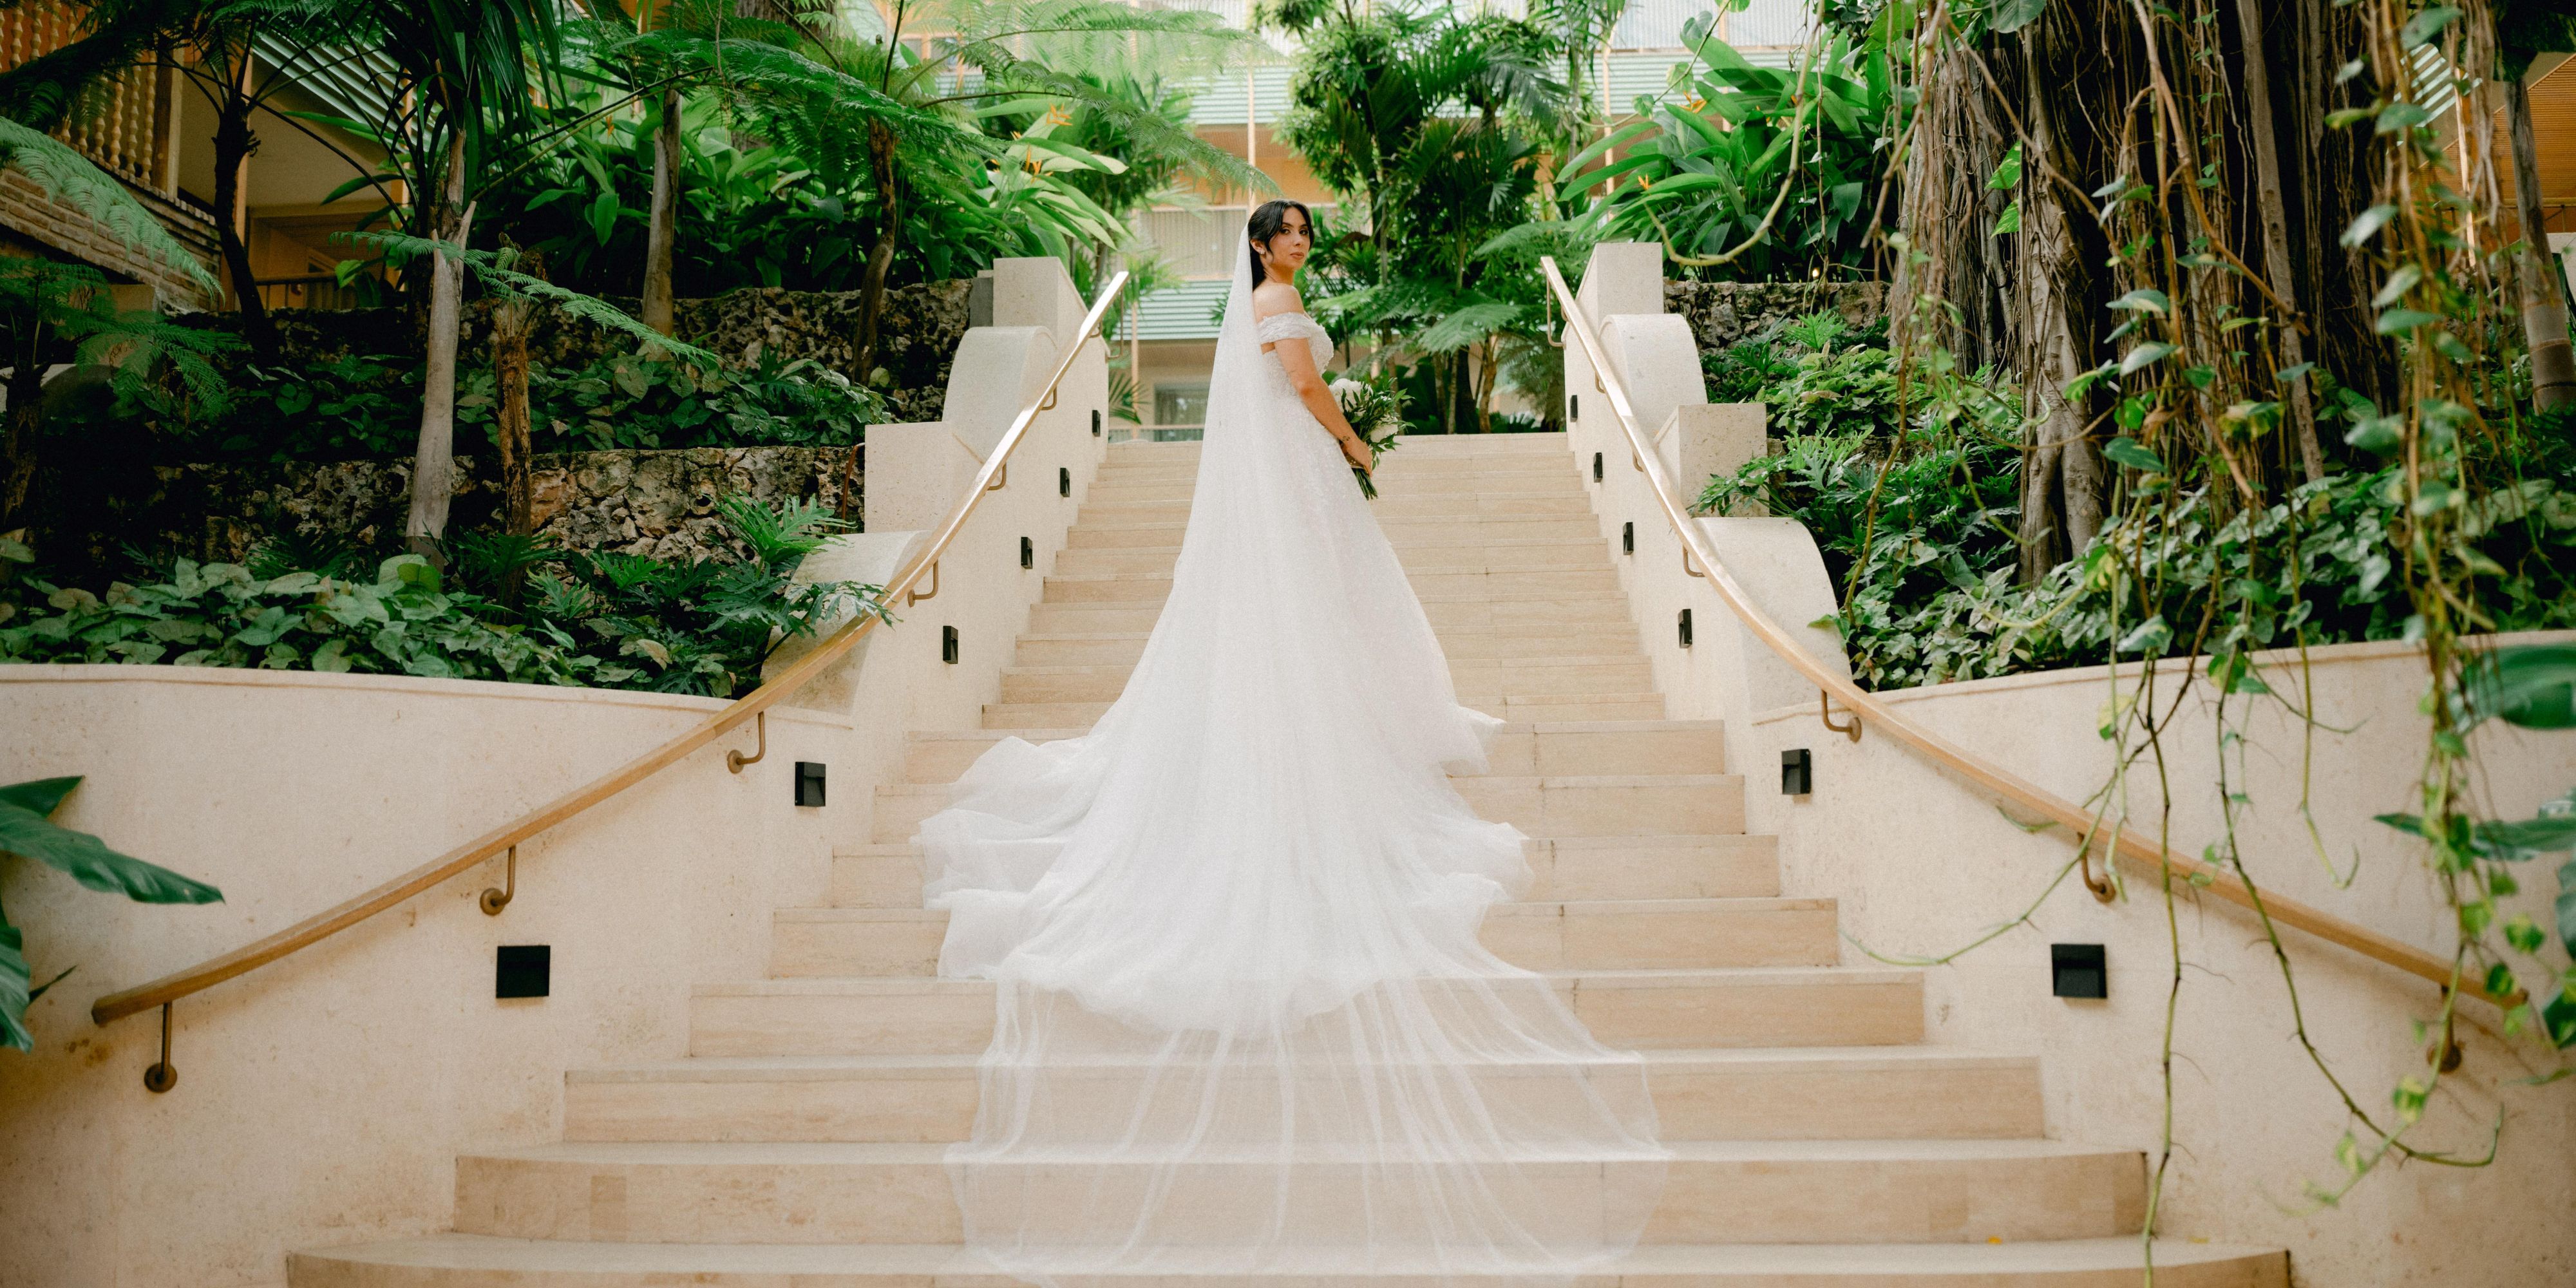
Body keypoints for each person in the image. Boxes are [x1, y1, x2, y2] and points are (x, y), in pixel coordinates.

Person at [918, 198, 1667, 1285]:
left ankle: (1351, 709)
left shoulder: (1274, 300)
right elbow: (1305, 387)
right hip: (1304, 467)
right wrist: (1356, 439)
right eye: (1289, 232)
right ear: (1260, 248)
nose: (1302, 245)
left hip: (1288, 475)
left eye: (1308, 232)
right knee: (1333, 602)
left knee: (1333, 605)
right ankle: (1344, 722)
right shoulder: (1276, 305)